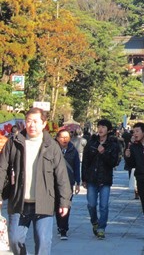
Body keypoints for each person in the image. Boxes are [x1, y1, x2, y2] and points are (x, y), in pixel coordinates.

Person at [0, 107, 72, 255]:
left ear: (43, 124)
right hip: (18, 202)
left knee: (43, 243)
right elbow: (1, 169)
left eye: (35, 121)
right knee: (14, 240)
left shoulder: (52, 146)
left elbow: (61, 175)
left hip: (44, 203)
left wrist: (64, 201)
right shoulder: (14, 143)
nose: (31, 125)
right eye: (28, 121)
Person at [81, 119, 120, 240]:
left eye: (103, 127)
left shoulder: (113, 144)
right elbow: (85, 161)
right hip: (92, 178)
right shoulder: (91, 142)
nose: (101, 129)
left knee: (104, 205)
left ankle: (102, 228)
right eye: (99, 127)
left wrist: (104, 153)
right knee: (91, 205)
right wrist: (84, 178)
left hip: (105, 179)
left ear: (108, 130)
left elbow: (114, 162)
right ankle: (95, 222)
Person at [55, 129, 81, 240]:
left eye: (67, 137)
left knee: (66, 205)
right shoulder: (52, 150)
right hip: (54, 181)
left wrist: (78, 182)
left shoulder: (73, 150)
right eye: (62, 137)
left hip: (68, 182)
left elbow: (76, 167)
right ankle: (60, 225)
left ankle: (64, 228)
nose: (65, 139)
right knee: (57, 205)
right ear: (57, 138)